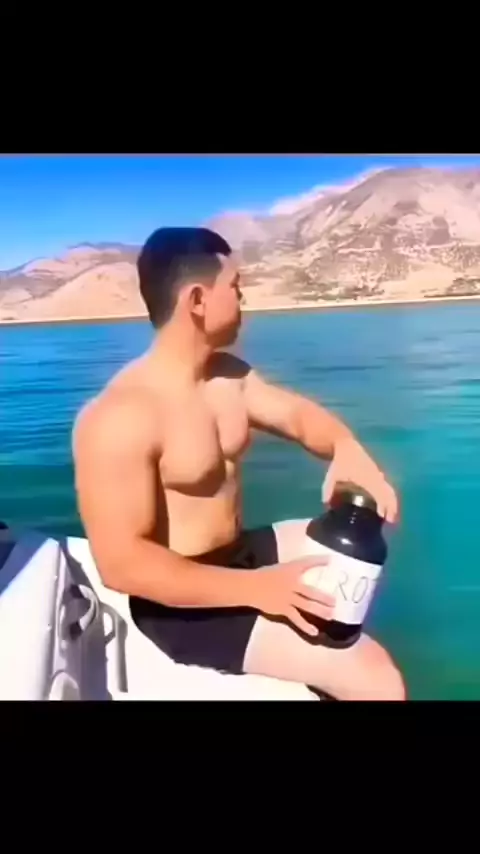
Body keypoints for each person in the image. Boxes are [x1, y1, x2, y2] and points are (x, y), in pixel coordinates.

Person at [72, 227, 405, 701]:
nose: (243, 299)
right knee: (378, 678)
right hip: (184, 609)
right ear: (197, 300)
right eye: (235, 286)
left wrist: (345, 446)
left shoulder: (228, 377)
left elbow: (297, 417)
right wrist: (258, 590)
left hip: (240, 555)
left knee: (353, 552)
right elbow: (123, 566)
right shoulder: (120, 416)